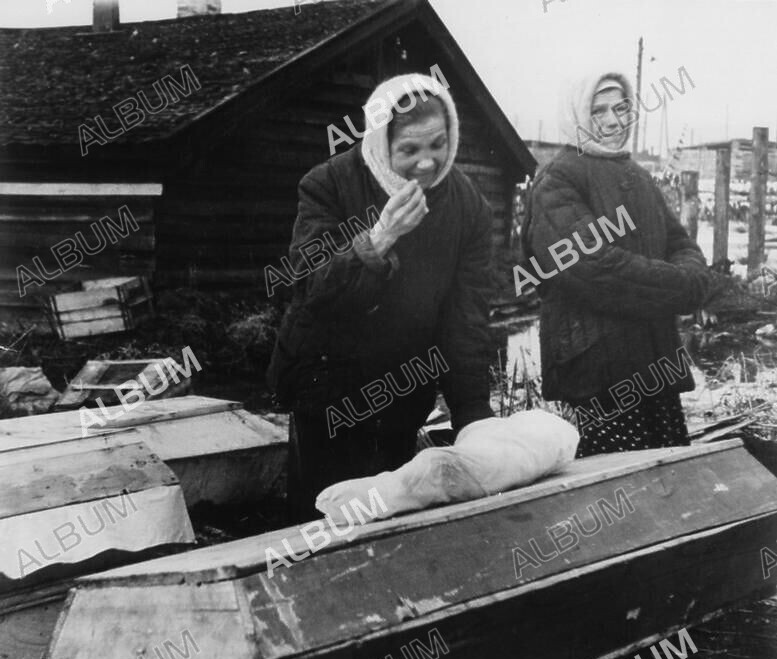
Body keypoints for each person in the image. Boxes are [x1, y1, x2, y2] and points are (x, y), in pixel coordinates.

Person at [267, 73, 495, 523]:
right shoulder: (328, 184)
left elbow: (466, 316)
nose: (428, 163)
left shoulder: (467, 205)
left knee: (392, 517)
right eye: (409, 150)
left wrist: (473, 413)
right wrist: (380, 237)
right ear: (380, 142)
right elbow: (309, 285)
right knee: (324, 517)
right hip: (326, 386)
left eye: (438, 145)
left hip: (404, 387)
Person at [521, 71, 716, 457]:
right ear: (576, 115)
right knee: (618, 487)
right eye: (597, 111)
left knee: (670, 480)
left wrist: (692, 277)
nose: (613, 120)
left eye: (621, 107)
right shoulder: (558, 181)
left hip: (654, 360)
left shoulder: (638, 177)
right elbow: (594, 269)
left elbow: (681, 244)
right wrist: (684, 286)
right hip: (601, 370)